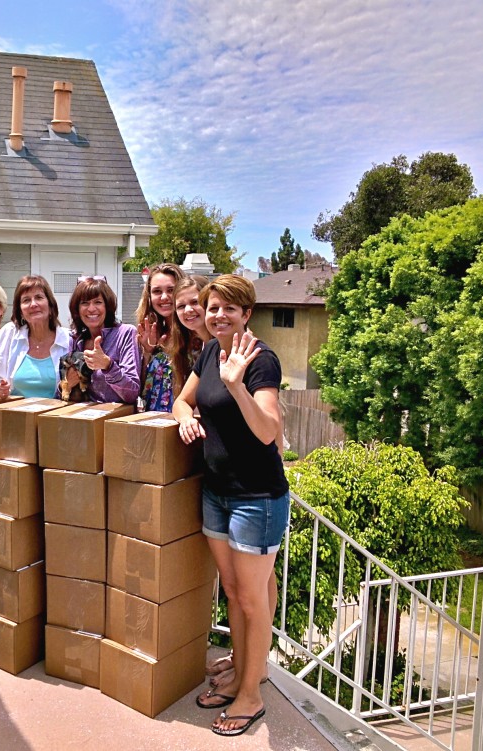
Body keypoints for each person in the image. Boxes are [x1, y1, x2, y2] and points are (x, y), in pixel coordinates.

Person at [173, 274, 288, 737]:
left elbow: (267, 431)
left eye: (228, 308)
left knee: (250, 597)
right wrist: (184, 419)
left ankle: (251, 694)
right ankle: (242, 671)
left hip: (255, 499)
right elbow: (184, 400)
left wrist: (237, 386)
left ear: (246, 313)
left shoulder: (260, 361)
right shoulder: (209, 351)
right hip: (216, 493)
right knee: (233, 594)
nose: (218, 314)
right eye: (213, 307)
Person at [0, 275, 70, 399]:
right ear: (20, 311)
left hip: (55, 415)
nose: (33, 304)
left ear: (50, 306)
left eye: (39, 297)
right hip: (14, 415)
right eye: (26, 300)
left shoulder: (68, 339)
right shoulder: (9, 334)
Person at [66, 276, 141, 404]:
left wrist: (108, 366)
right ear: (77, 309)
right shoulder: (75, 339)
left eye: (98, 302)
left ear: (107, 306)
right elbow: (62, 393)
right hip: (85, 418)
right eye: (84, 303)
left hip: (116, 419)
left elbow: (132, 394)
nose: (91, 309)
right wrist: (67, 385)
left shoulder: (125, 333)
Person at [135, 263, 186, 412]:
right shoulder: (148, 333)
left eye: (171, 290)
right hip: (154, 420)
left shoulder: (195, 334)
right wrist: (147, 352)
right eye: (157, 291)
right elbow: (140, 387)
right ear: (149, 297)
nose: (164, 297)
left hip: (186, 421)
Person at [168, 275, 211, 395]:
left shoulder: (227, 344)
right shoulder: (184, 347)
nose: (188, 310)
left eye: (195, 302)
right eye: (181, 306)